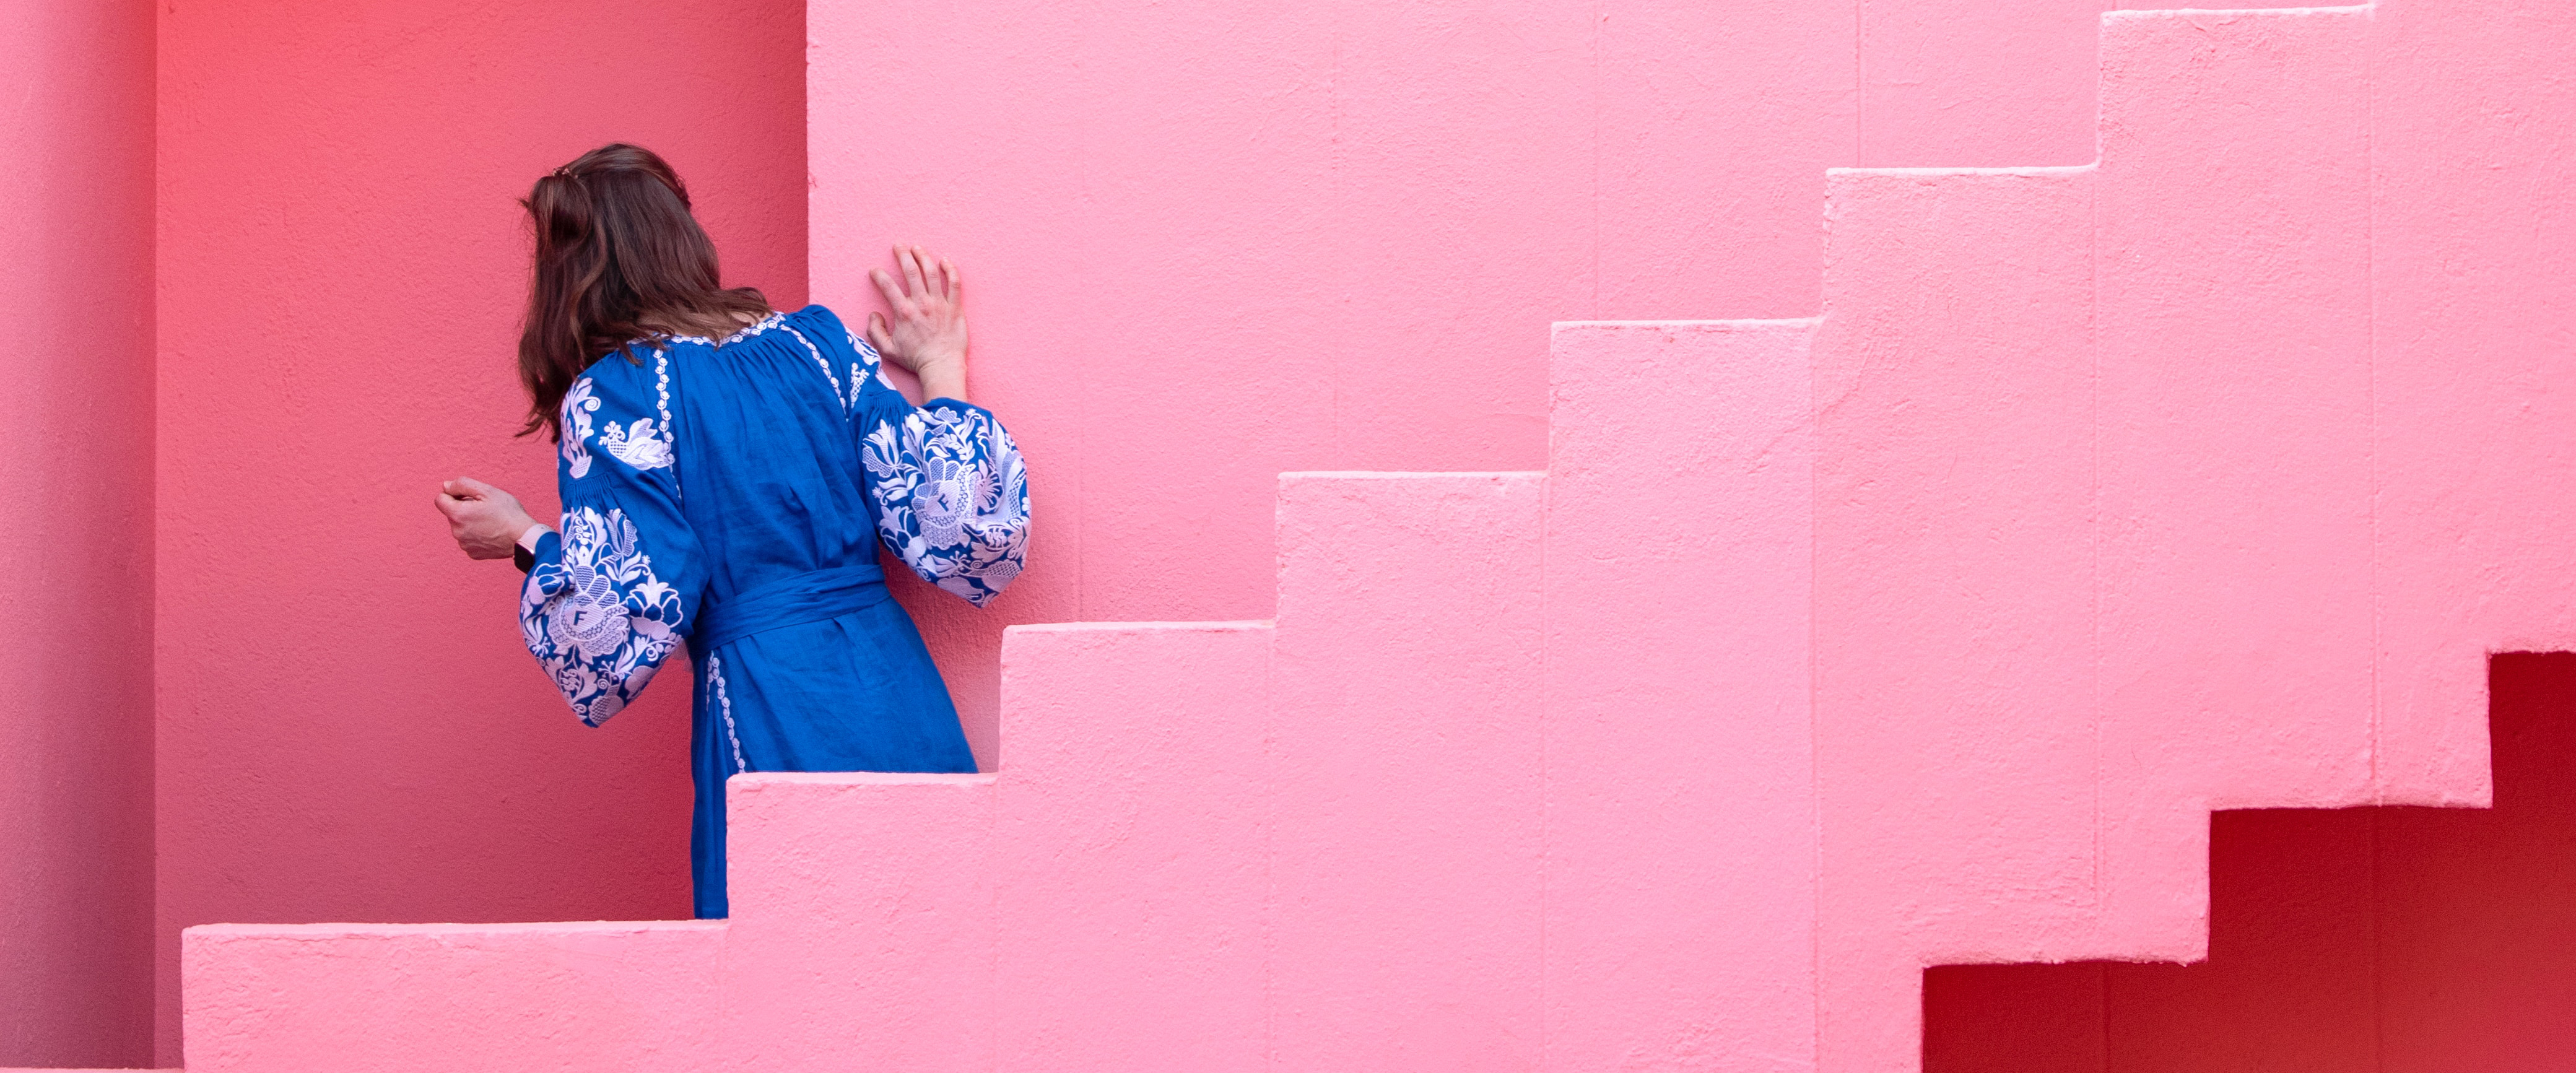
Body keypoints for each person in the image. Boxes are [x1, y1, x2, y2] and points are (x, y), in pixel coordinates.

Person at [433, 144, 1027, 918]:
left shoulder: (615, 393)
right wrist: (942, 363)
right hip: (891, 680)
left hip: (768, 694)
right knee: (938, 924)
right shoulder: (816, 345)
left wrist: (524, 538)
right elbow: (964, 528)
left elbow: (618, 626)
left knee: (800, 964)